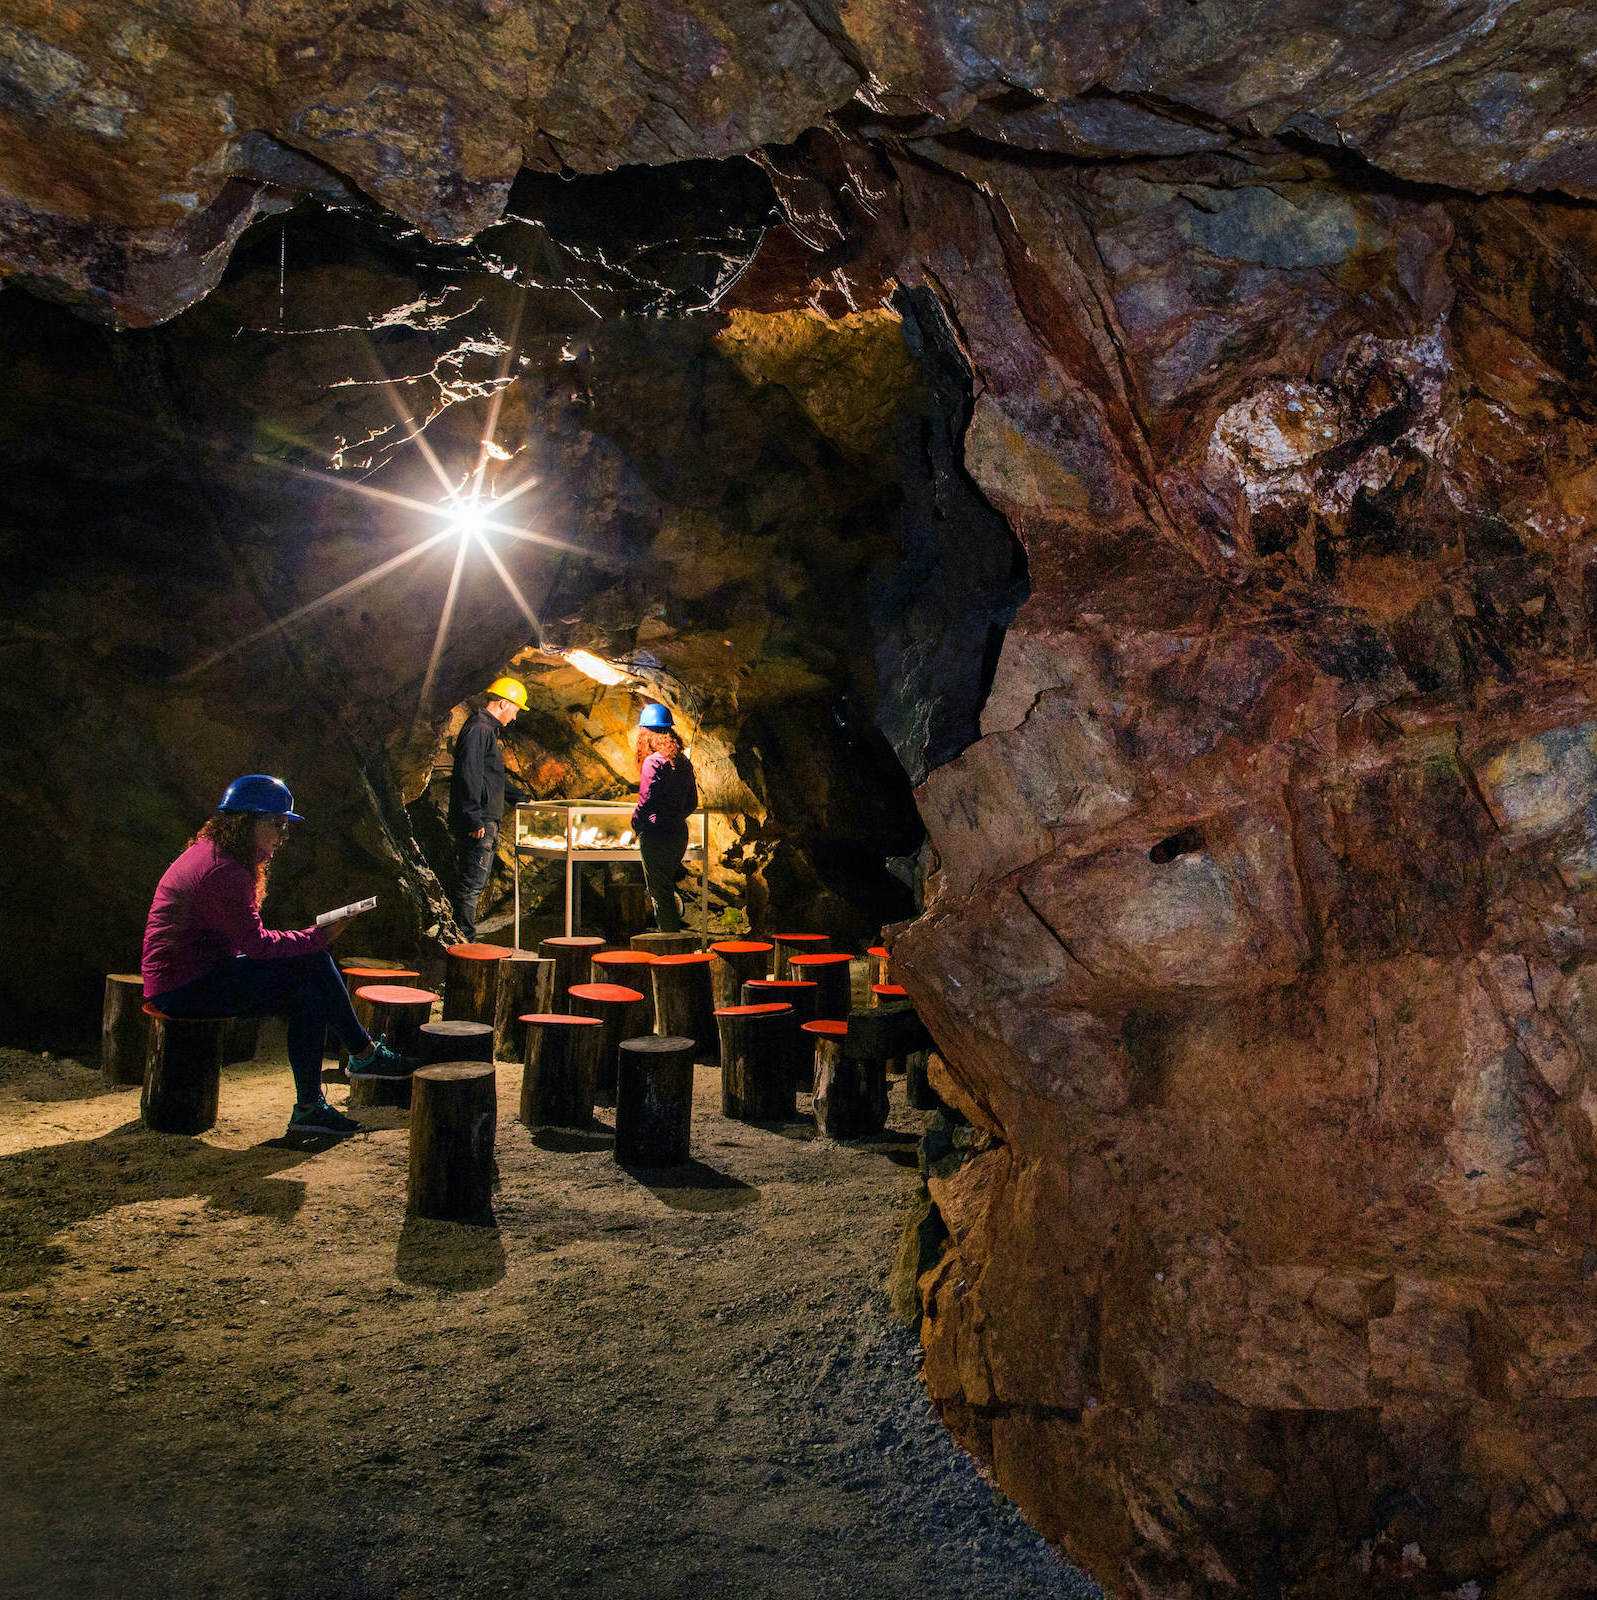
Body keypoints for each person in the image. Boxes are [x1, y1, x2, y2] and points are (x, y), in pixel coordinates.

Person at [141, 774, 405, 1138]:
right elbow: (259, 946)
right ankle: (357, 1057)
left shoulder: (215, 853)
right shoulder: (225, 871)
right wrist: (317, 936)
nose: (282, 836)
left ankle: (322, 1095)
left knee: (308, 985)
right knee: (311, 966)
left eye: (285, 826)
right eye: (277, 825)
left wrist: (312, 941)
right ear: (245, 822)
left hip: (193, 974)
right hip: (183, 988)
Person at [447, 676, 529, 941]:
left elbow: (490, 777)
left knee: (471, 884)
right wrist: (473, 819)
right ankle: (463, 943)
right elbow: (468, 773)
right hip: (479, 821)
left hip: (481, 817)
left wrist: (520, 797)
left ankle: (462, 939)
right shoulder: (480, 729)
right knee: (470, 885)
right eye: (515, 711)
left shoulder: (484, 730)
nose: (514, 718)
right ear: (503, 704)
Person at [631, 704, 698, 933]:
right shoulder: (683, 762)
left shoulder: (653, 762)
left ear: (647, 733)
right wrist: (675, 817)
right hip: (678, 833)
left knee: (659, 892)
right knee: (666, 886)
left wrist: (638, 823)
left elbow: (646, 799)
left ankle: (671, 945)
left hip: (656, 835)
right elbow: (692, 803)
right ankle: (672, 939)